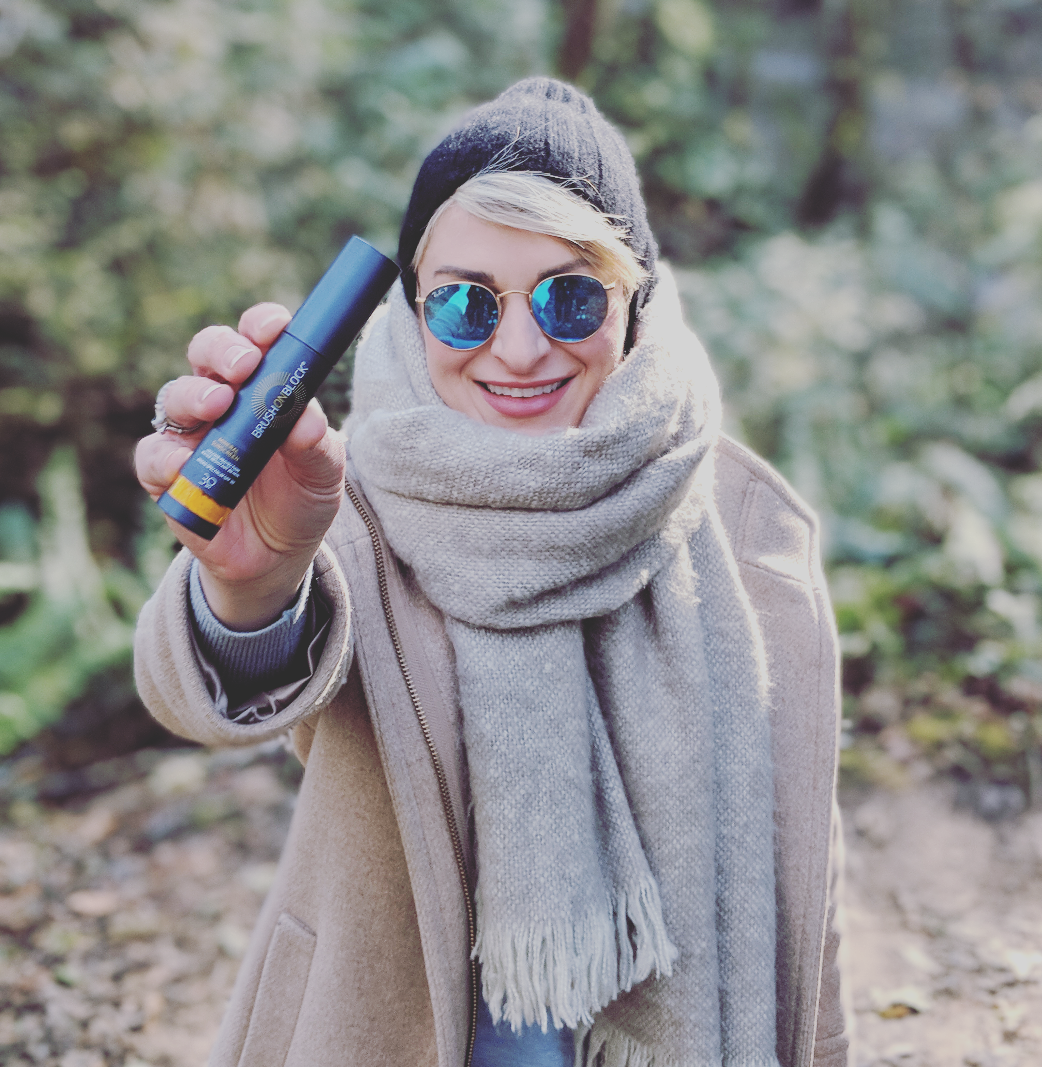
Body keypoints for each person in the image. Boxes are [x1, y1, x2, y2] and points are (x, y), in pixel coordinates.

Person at [134, 78, 849, 1067]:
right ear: (412, 309)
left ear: (634, 304)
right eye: (466, 305)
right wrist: (250, 584)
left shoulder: (744, 530)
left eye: (570, 296)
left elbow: (801, 895)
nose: (519, 349)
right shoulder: (339, 493)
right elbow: (216, 692)